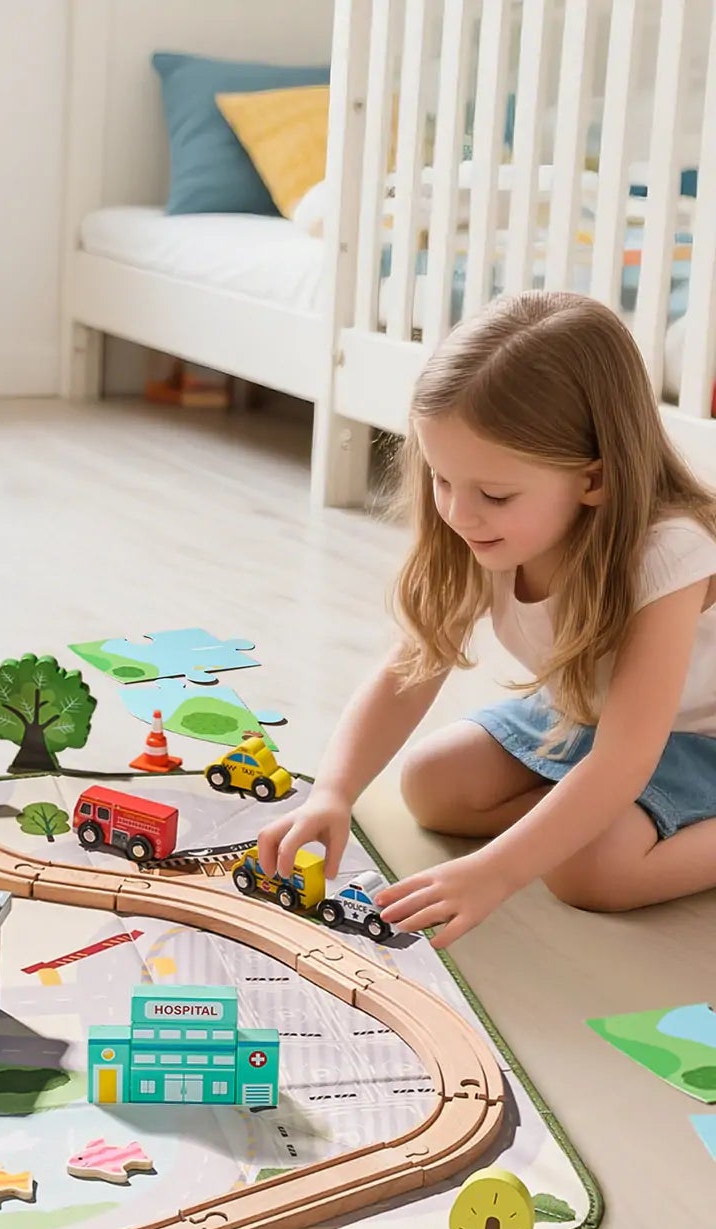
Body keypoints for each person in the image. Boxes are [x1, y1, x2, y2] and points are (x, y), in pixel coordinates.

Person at [259, 291, 716, 948]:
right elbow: (409, 669)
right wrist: (332, 792)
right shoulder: (494, 531)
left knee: (590, 872)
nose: (458, 512)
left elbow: (625, 757)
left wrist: (498, 871)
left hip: (694, 736)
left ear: (595, 480)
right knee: (433, 785)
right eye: (442, 479)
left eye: (494, 495)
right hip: (592, 717)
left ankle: (587, 831)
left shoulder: (669, 551)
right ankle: (577, 823)